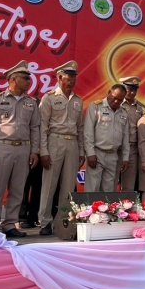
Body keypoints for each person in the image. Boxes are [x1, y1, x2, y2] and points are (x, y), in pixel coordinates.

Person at [0, 61, 41, 239]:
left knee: (17, 190)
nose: (28, 82)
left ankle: (10, 224)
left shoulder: (31, 102)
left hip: (23, 148)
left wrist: (34, 151)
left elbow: (35, 128)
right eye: (25, 78)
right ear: (12, 79)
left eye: (29, 79)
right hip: (2, 147)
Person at [37, 61, 84, 236]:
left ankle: (64, 221)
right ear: (59, 77)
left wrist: (82, 151)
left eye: (74, 77)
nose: (71, 80)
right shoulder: (49, 98)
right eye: (68, 77)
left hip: (72, 143)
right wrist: (44, 151)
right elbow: (42, 126)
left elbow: (80, 128)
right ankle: (45, 221)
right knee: (49, 184)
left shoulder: (78, 100)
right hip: (54, 140)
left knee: (68, 186)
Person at [84, 84, 129, 192]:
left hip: (113, 156)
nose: (117, 102)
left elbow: (125, 137)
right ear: (109, 93)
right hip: (97, 153)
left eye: (120, 100)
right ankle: (90, 209)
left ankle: (106, 209)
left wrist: (125, 157)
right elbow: (88, 132)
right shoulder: (96, 107)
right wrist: (90, 153)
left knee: (108, 190)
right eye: (114, 98)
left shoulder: (123, 112)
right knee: (92, 189)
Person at [119, 76, 145, 192]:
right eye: (129, 89)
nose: (132, 92)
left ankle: (127, 209)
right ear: (123, 89)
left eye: (134, 89)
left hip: (132, 148)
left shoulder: (139, 108)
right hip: (117, 147)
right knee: (110, 181)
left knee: (129, 185)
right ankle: (108, 209)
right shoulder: (117, 104)